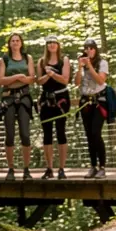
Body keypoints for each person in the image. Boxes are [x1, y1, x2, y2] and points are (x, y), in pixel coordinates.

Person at [0, 32, 34, 179]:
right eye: (13, 40)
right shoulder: (4, 60)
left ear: (21, 43)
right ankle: (11, 169)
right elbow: (1, 80)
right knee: (10, 135)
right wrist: (18, 77)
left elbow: (32, 79)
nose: (15, 43)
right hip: (8, 98)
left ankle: (26, 169)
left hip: (24, 98)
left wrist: (13, 80)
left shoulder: (27, 58)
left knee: (25, 134)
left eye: (18, 40)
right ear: (9, 43)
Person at [37, 35, 71, 179]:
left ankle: (62, 168)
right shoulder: (41, 62)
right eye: (49, 43)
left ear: (58, 45)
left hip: (61, 98)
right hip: (46, 99)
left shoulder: (64, 60)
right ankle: (49, 167)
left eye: (54, 43)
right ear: (46, 46)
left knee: (61, 132)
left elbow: (65, 79)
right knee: (47, 134)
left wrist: (52, 74)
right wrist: (47, 76)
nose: (52, 45)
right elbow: (39, 81)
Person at [75, 38, 109, 178]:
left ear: (96, 49)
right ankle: (93, 165)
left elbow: (101, 80)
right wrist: (79, 68)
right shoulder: (82, 64)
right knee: (89, 134)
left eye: (91, 48)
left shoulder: (102, 63)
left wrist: (89, 66)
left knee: (96, 133)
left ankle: (102, 166)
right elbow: (77, 83)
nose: (89, 51)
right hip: (85, 102)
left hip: (99, 101)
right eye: (86, 48)